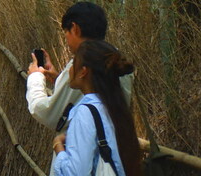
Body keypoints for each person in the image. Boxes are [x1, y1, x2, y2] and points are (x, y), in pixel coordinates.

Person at [26, 2, 133, 142]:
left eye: (66, 32)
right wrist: (59, 78)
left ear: (75, 28)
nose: (66, 39)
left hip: (82, 150)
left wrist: (35, 77)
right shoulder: (116, 60)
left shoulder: (86, 63)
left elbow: (48, 113)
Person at [51, 40, 141, 176]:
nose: (70, 69)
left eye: (73, 63)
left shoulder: (85, 113)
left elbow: (76, 173)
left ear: (83, 72)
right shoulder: (114, 107)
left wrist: (58, 146)